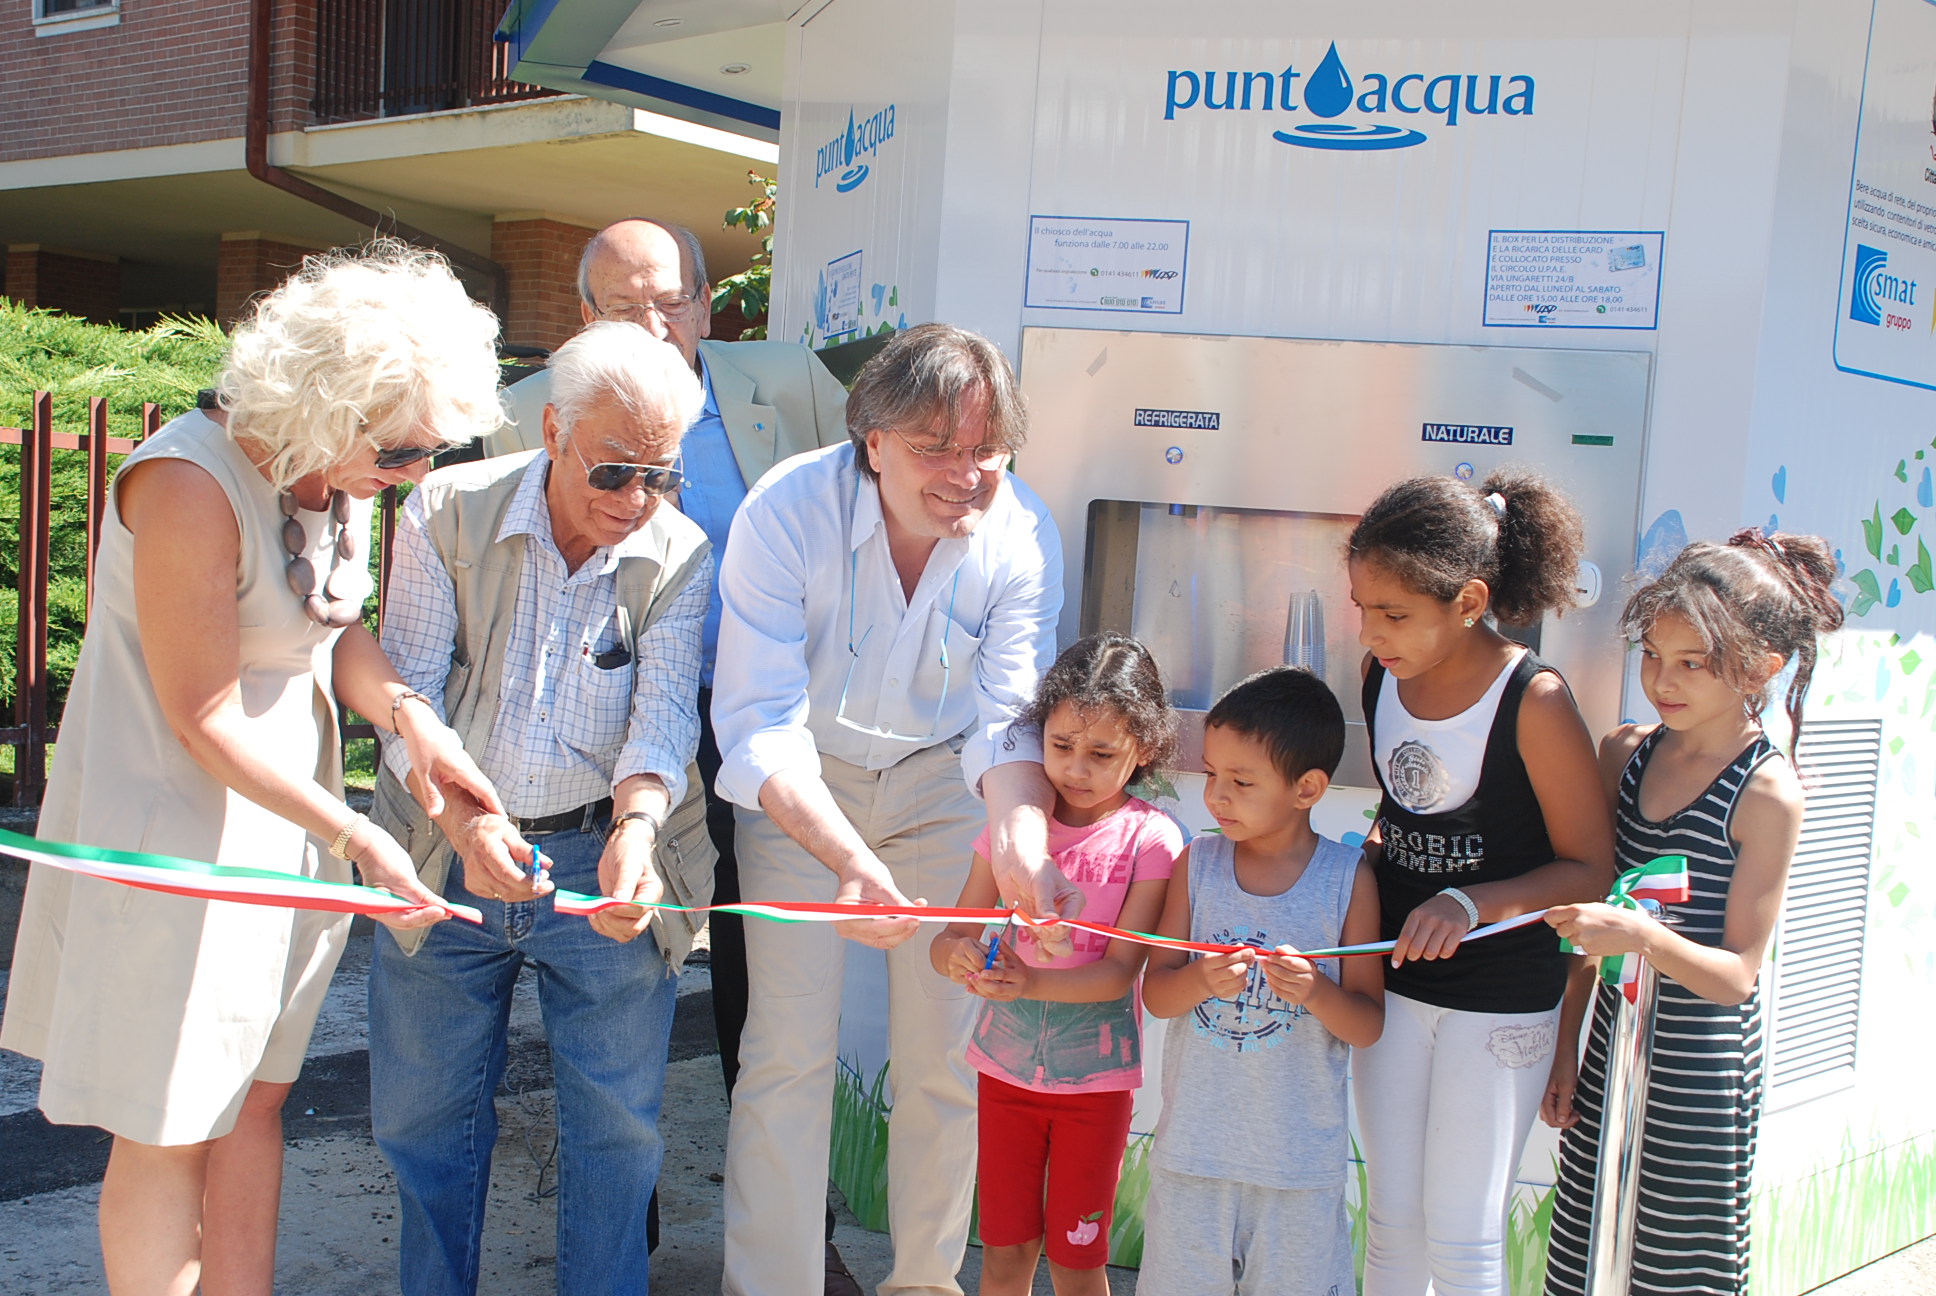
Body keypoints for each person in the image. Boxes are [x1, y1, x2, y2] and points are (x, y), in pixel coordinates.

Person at [0, 243, 505, 1296]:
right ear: (326, 402)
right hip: (174, 839)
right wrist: (360, 834)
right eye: (405, 450)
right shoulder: (186, 481)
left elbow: (334, 632)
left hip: (288, 828)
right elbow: (203, 714)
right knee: (169, 1123)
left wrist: (415, 723)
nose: (415, 474)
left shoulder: (339, 476)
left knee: (257, 1101)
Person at [486, 215, 856, 1286]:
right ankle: (620, 1241)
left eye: (673, 301)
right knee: (622, 976)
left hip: (762, 723)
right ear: (584, 315)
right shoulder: (526, 413)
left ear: (705, 303)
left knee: (769, 979)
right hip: (610, 730)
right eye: (624, 305)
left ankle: (794, 1242)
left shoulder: (785, 382)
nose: (654, 322)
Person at [712, 321, 1078, 1296]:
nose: (963, 474)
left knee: (949, 1055)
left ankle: (923, 1282)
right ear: (871, 440)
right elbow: (758, 723)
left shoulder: (1022, 531)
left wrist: (1022, 846)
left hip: (939, 780)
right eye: (935, 449)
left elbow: (1009, 725)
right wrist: (843, 856)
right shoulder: (784, 510)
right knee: (785, 1053)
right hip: (801, 789)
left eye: (984, 451)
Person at [366, 321, 712, 1296]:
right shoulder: (445, 511)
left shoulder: (678, 553)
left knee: (616, 1133)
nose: (635, 500)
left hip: (598, 858)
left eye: (660, 475)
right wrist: (468, 826)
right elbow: (407, 699)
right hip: (445, 854)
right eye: (613, 472)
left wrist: (636, 833)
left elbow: (661, 722)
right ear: (553, 430)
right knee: (424, 1121)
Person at [1539, 530, 1842, 1296]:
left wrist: (1642, 935)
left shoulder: (1767, 792)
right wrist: (1567, 1041)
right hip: (1611, 1048)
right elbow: (1589, 926)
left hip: (1697, 1070)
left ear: (1762, 668)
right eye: (1651, 654)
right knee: (1585, 1255)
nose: (1660, 681)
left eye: (1690, 664)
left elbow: (1738, 974)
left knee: (1674, 1270)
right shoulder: (1623, 752)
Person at [1343, 468, 1617, 1296]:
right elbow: (1403, 814)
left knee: (1463, 1234)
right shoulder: (1380, 673)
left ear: (1468, 602)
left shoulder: (1535, 697)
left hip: (1502, 990)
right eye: (1363, 607)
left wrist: (1473, 901)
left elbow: (1592, 868)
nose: (1374, 631)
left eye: (1395, 614)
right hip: (1393, 980)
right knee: (1391, 1223)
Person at [930, 632, 1185, 1296]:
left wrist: (1029, 980)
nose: (1076, 768)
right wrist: (960, 957)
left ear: (1146, 750)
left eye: (1102, 754)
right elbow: (948, 939)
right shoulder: (1008, 829)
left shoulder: (1151, 838)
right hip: (1004, 1079)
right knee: (1005, 1255)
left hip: (1095, 1091)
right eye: (1061, 745)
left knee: (1077, 1263)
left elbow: (1121, 971)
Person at [1140, 666, 1384, 1296]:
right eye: (1213, 775)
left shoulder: (1346, 878)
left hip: (1298, 1171)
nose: (1217, 795)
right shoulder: (1198, 863)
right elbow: (1157, 994)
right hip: (1192, 1157)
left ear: (1307, 788)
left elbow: (1367, 1022)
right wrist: (1198, 979)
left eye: (1241, 781)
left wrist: (1315, 992)